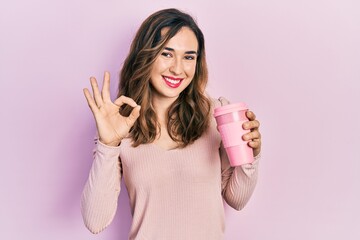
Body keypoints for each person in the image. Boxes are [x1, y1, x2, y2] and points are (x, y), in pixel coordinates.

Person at [81, 8, 262, 240]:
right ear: (146, 56)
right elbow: (95, 222)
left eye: (189, 57)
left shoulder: (215, 114)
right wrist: (109, 144)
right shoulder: (120, 125)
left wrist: (252, 155)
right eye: (166, 54)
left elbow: (237, 199)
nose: (178, 68)